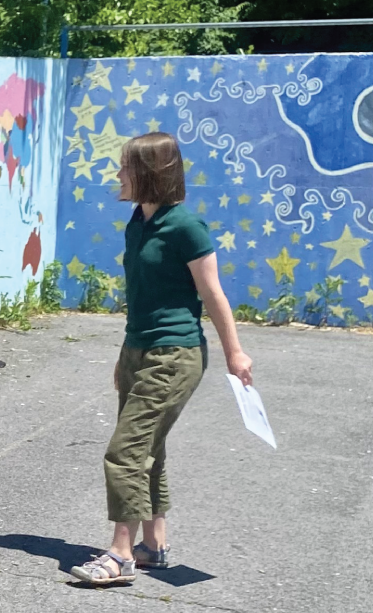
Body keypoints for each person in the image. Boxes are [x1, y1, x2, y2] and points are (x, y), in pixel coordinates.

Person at [71, 131, 253, 587]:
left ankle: (119, 555)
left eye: (125, 166)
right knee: (147, 450)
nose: (118, 173)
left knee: (124, 452)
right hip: (139, 350)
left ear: (149, 173)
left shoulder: (186, 226)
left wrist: (236, 352)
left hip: (175, 353)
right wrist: (124, 356)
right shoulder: (138, 220)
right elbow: (142, 298)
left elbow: (212, 294)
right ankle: (154, 546)